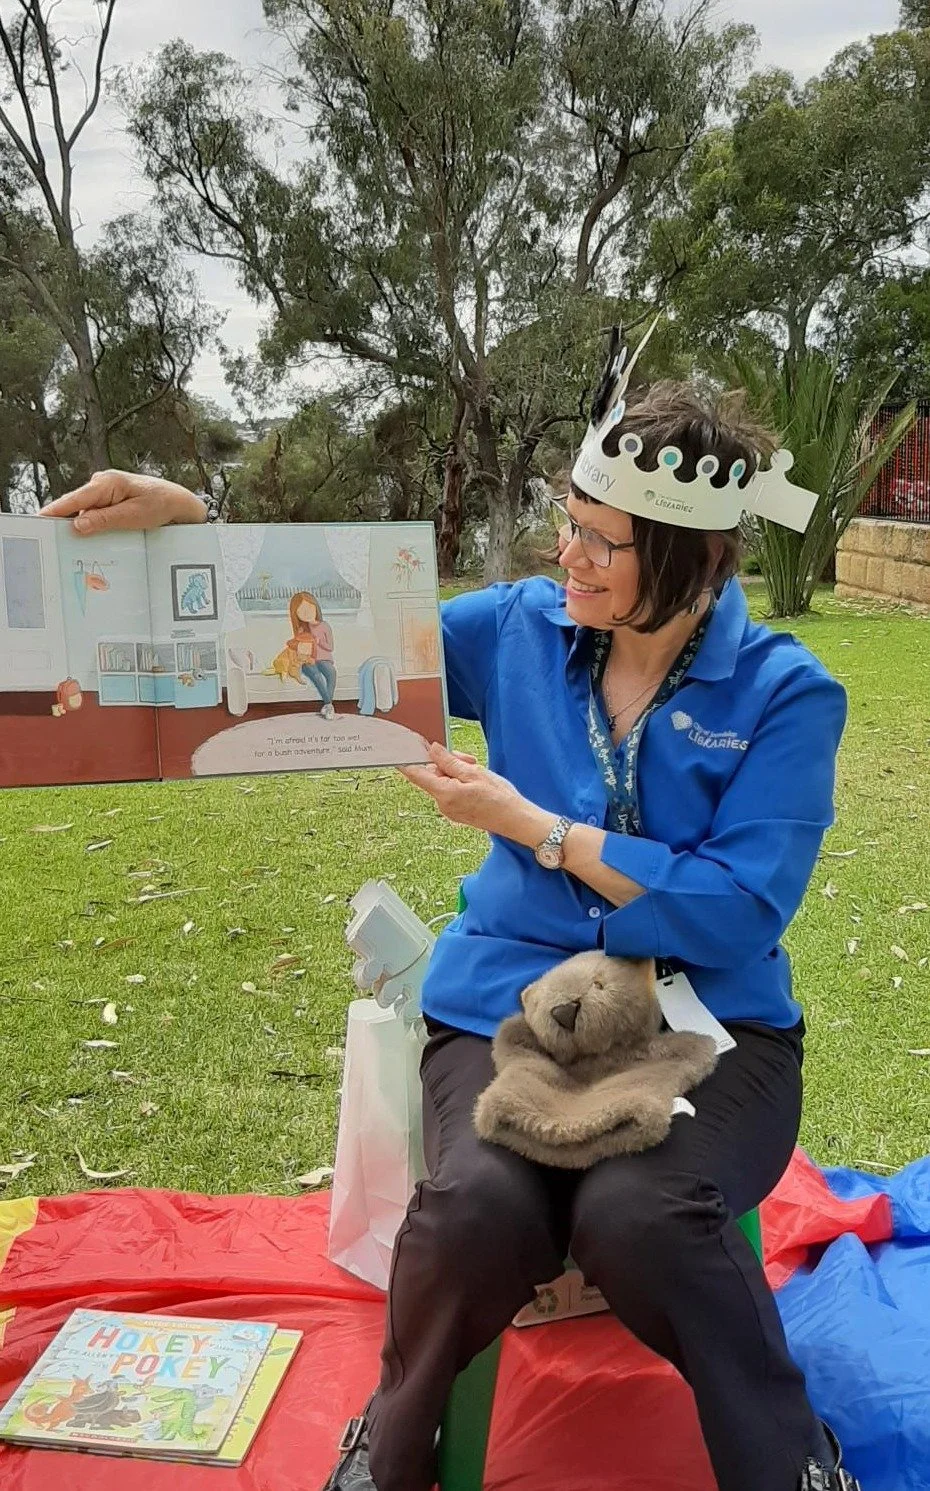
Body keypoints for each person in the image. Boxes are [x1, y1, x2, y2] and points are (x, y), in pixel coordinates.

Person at [40, 352, 860, 1491]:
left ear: (686, 555)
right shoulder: (522, 627)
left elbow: (738, 907)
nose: (563, 555)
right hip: (509, 1009)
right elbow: (348, 623)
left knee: (642, 1214)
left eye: (599, 542)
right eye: (565, 523)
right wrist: (198, 524)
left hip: (711, 1027)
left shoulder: (786, 693)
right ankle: (396, 1445)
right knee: (473, 1209)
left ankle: (791, 1461)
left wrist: (541, 828)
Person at [288, 590, 338, 720]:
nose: (307, 613)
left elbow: (330, 647)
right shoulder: (302, 629)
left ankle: (328, 704)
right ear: (296, 615)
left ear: (316, 607)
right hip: (308, 661)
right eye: (301, 611)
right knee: (316, 675)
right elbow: (299, 648)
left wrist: (318, 641)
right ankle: (329, 705)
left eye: (309, 608)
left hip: (324, 659)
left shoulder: (324, 626)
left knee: (331, 673)